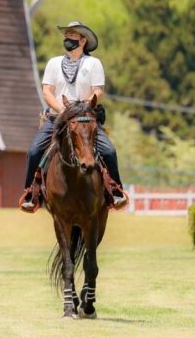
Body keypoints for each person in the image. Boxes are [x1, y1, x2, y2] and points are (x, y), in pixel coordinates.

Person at [20, 20, 126, 211]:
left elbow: (98, 91)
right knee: (34, 150)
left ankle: (115, 190)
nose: (67, 39)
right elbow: (47, 92)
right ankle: (30, 193)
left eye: (72, 36)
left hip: (84, 119)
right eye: (66, 35)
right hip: (57, 118)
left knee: (109, 151)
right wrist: (63, 111)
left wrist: (81, 109)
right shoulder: (53, 63)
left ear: (83, 40)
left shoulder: (94, 63)